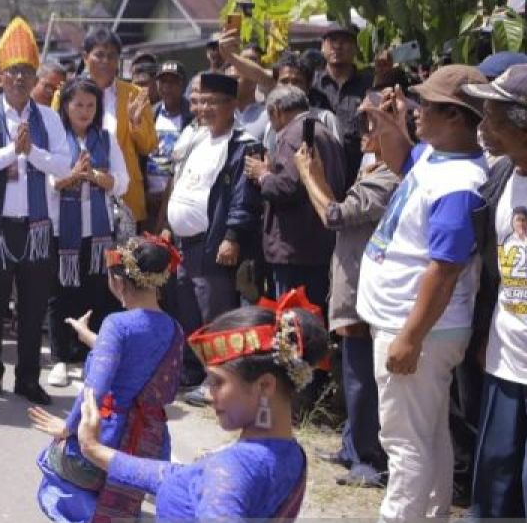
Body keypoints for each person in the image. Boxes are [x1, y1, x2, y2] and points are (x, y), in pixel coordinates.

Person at [82, 299, 323, 523]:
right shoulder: (289, 455)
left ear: (265, 385)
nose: (208, 394)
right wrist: (96, 451)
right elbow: (187, 478)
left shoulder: (232, 469)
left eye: (218, 382)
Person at [345, 65, 489, 523]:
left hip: (420, 328)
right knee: (428, 434)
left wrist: (409, 336)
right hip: (417, 325)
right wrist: (392, 126)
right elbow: (406, 160)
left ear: (456, 116)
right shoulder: (439, 157)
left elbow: (444, 269)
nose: (418, 109)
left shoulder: (459, 182)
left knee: (403, 439)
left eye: (426, 105)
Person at [440, 64, 527, 523]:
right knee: (494, 472)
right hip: (505, 356)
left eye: (494, 115)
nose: (484, 126)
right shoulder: (501, 178)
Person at [29, 236, 184, 523]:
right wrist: (91, 338)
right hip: (147, 450)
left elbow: (94, 391)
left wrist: (67, 429)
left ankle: (87, 513)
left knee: (51, 462)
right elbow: (149, 369)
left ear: (118, 280)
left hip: (105, 445)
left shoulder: (118, 325)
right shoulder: (174, 329)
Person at [0, 17, 71, 406]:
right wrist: (12, 151)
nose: (20, 80)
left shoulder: (48, 118)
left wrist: (32, 153)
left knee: (32, 309)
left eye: (27, 72)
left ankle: (28, 378)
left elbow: (63, 166)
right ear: (0, 76)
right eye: (13, 73)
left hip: (37, 226)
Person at [295, 94, 398, 489]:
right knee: (354, 371)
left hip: (367, 291)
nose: (362, 134)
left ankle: (368, 457)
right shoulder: (373, 168)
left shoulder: (390, 177)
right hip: (354, 284)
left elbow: (333, 214)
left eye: (373, 125)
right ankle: (354, 445)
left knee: (363, 378)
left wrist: (309, 175)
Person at [160, 72, 262, 396]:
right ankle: (191, 371)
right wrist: (167, 224)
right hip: (183, 243)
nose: (204, 108)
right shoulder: (197, 138)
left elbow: (243, 197)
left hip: (212, 243)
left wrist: (231, 235)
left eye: (212, 102)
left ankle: (217, 380)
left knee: (214, 314)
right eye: (200, 101)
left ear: (232, 105)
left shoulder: (243, 145)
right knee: (186, 310)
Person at [44, 78, 128, 387]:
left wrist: (95, 176)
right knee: (61, 293)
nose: (84, 111)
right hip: (61, 228)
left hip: (97, 231)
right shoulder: (56, 140)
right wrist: (72, 176)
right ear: (65, 106)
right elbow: (48, 183)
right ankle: (60, 358)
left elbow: (123, 181)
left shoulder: (106, 139)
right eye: (78, 104)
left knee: (96, 292)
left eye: (90, 105)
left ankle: (87, 355)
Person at [244, 86, 347, 312]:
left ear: (276, 111)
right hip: (318, 244)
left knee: (295, 324)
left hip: (295, 248)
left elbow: (288, 187)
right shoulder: (322, 130)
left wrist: (263, 175)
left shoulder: (293, 135)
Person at [57, 29, 157, 232]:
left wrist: (135, 123)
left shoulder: (135, 95)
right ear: (85, 57)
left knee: (123, 262)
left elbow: (148, 146)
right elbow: (56, 139)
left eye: (112, 56)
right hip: (75, 197)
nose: (105, 61)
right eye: (99, 55)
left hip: (124, 197)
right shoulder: (65, 93)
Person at [310, 23, 372, 182]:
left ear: (356, 47)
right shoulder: (311, 85)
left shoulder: (369, 85)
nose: (337, 46)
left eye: (344, 41)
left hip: (358, 175)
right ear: (322, 47)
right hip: (318, 173)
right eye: (332, 41)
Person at [146, 61, 194, 233]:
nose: (167, 87)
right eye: (163, 82)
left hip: (178, 199)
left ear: (183, 85)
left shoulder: (193, 115)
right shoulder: (149, 113)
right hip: (149, 200)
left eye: (173, 82)